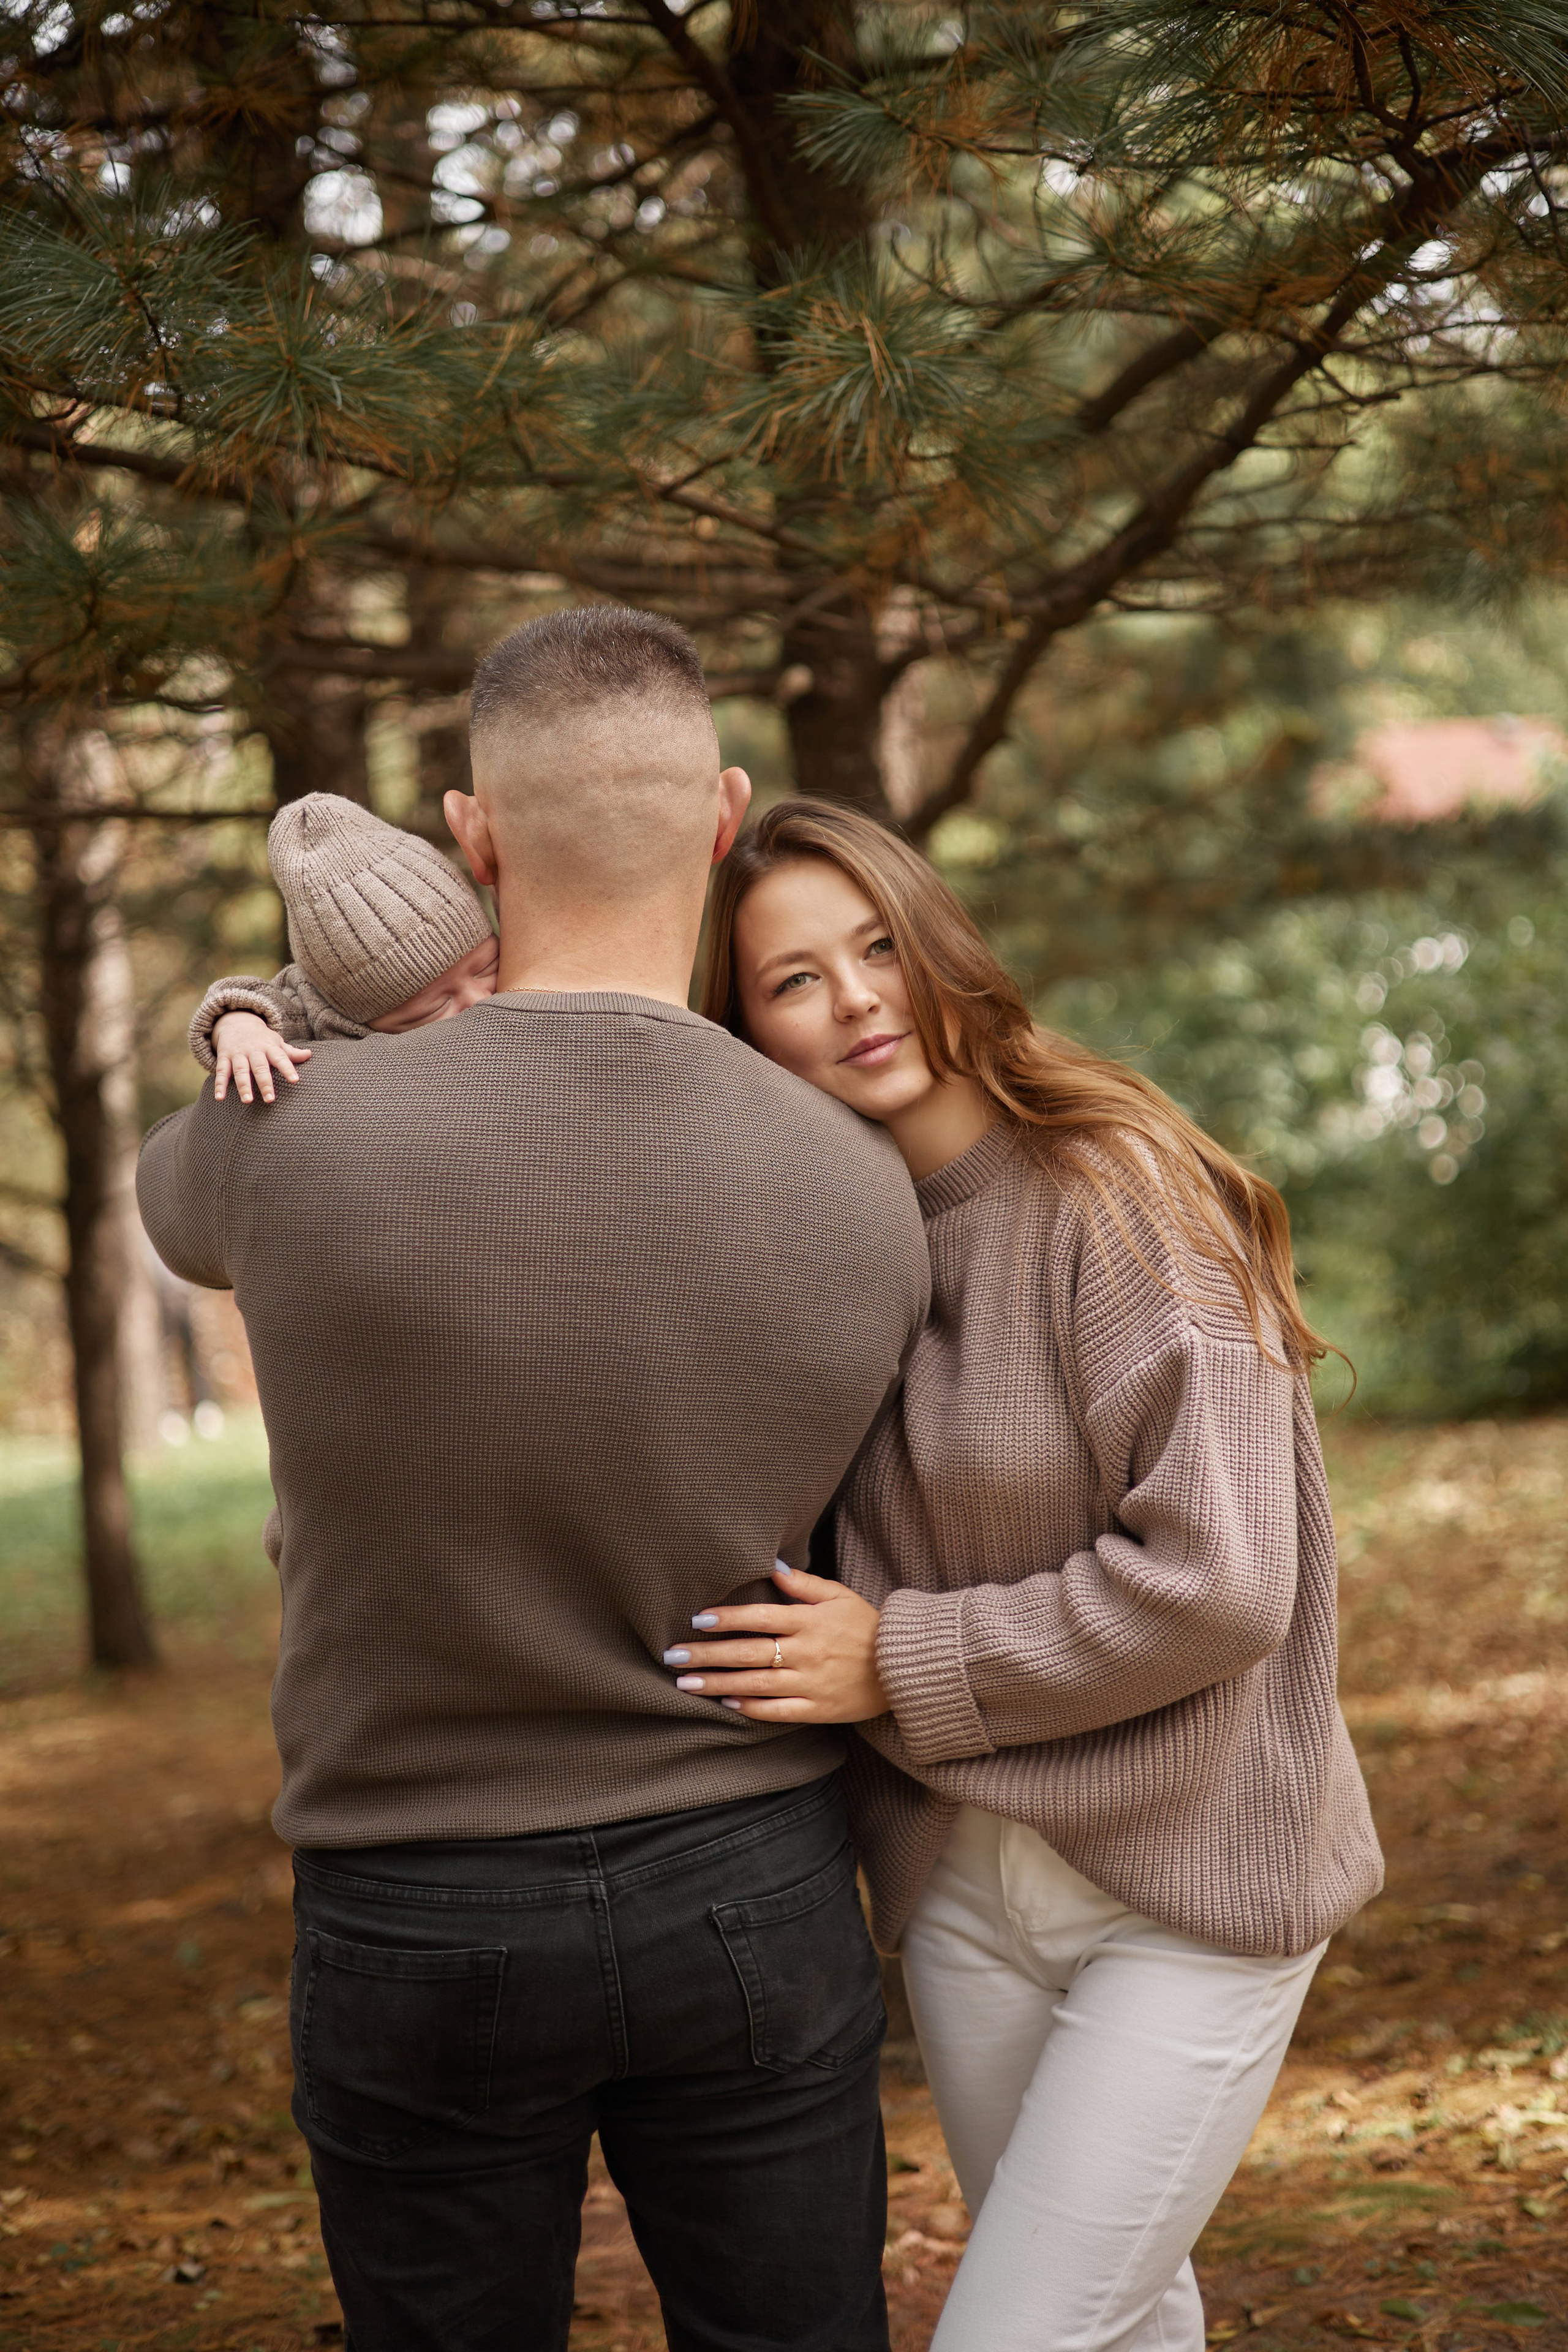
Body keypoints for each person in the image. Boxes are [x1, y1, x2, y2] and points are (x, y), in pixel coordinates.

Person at [137, 619, 930, 2352]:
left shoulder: (281, 1144)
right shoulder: (863, 1183)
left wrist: (281, 1013)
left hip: (414, 1889)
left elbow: (163, 1202)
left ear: (471, 836)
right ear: (722, 816)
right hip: (749, 1870)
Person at [666, 800, 1384, 2352]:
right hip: (959, 1884)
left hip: (1192, 1875)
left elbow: (1222, 1582)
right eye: (793, 980)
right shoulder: (823, 1250)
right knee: (1118, 2324)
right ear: (745, 1031)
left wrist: (896, 1659)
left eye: (877, 947)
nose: (856, 1000)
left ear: (938, 950)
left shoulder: (1113, 1191)